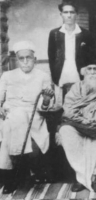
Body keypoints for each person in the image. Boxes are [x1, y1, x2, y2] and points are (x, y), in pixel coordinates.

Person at [0, 41, 54, 194]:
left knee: (16, 122)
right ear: (17, 60)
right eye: (21, 58)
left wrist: (46, 100)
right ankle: (24, 172)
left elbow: (44, 107)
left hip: (33, 117)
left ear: (35, 59)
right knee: (15, 118)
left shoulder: (43, 76)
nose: (25, 62)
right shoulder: (7, 75)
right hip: (9, 114)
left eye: (28, 58)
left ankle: (12, 176)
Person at [58, 64, 96, 194]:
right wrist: (83, 120)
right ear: (83, 73)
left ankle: (94, 176)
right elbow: (68, 108)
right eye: (89, 69)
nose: (92, 72)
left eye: (95, 69)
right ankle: (81, 176)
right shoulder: (76, 88)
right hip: (79, 124)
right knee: (65, 131)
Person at [48, 0, 96, 106]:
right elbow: (51, 56)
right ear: (61, 14)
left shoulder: (86, 34)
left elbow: (93, 56)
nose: (69, 15)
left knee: (80, 103)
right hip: (62, 73)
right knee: (62, 105)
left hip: (79, 73)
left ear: (77, 14)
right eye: (65, 12)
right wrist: (54, 75)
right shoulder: (54, 33)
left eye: (72, 12)